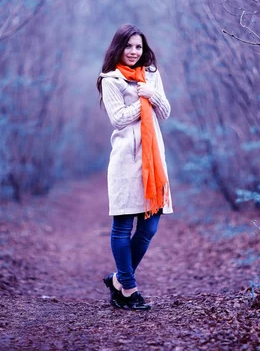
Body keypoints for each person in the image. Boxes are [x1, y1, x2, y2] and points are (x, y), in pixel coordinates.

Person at [96, 24, 173, 310]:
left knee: (150, 226)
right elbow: (117, 119)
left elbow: (164, 112)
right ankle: (128, 287)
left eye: (138, 47)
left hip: (153, 162)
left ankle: (118, 279)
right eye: (128, 46)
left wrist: (150, 93)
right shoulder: (111, 79)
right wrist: (143, 100)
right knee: (123, 225)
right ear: (119, 47)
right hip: (127, 162)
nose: (133, 51)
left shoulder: (151, 75)